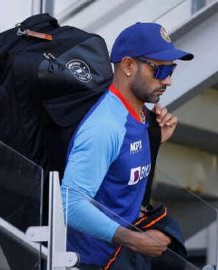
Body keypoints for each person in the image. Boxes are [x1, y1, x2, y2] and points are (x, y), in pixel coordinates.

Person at [60, 22, 194, 269]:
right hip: (94, 262)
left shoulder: (143, 118)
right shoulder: (105, 127)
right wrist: (133, 240)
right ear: (129, 65)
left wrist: (155, 139)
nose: (169, 82)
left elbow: (124, 176)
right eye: (161, 72)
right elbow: (70, 204)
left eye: (171, 70)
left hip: (123, 257)